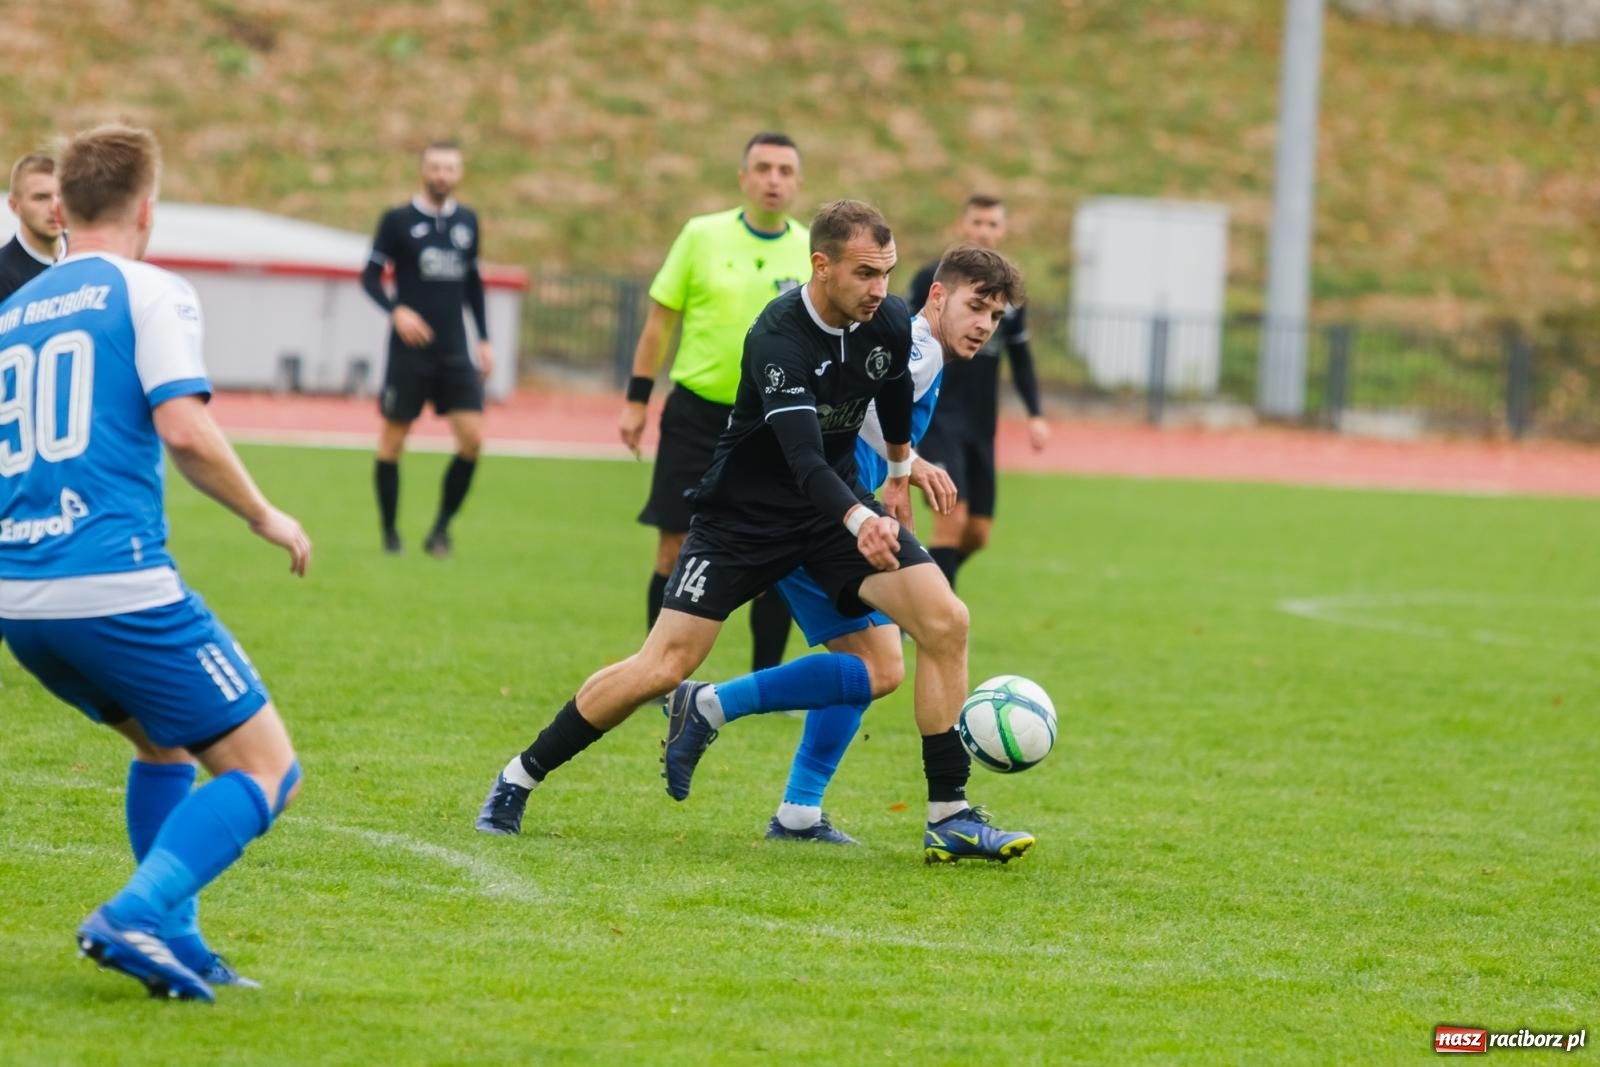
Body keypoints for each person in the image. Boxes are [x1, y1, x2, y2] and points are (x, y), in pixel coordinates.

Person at [477, 201, 1035, 864]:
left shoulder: (884, 320)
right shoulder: (777, 336)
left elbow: (888, 391)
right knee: (664, 664)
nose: (880, 289)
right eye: (864, 273)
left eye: (886, 272)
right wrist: (861, 517)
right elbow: (800, 457)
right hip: (743, 518)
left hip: (832, 512)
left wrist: (895, 470)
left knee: (945, 622)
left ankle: (949, 814)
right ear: (820, 265)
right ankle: (519, 775)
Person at [0, 123, 311, 1002]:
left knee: (163, 739)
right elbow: (184, 427)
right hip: (113, 583)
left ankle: (175, 938)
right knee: (266, 768)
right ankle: (137, 912)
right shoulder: (149, 289)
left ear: (61, 208)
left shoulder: (13, 309)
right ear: (147, 208)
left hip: (20, 596)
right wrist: (263, 512)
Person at [679, 244, 1024, 845]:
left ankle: (797, 810)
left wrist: (894, 484)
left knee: (875, 666)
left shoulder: (924, 351)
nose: (983, 326)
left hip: (842, 517)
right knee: (904, 651)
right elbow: (858, 409)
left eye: (995, 318)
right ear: (937, 296)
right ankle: (715, 707)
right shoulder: (915, 350)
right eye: (976, 308)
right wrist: (909, 464)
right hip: (827, 521)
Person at [618, 131, 812, 673]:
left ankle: (766, 678)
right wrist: (636, 400)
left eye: (785, 170)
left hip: (774, 425)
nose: (773, 179)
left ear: (798, 183)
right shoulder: (701, 236)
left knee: (780, 555)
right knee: (674, 546)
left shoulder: (811, 251)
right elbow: (660, 321)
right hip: (697, 415)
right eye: (763, 168)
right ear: (743, 178)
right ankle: (655, 671)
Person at [907, 194, 1048, 590]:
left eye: (992, 224)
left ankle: (913, 597)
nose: (984, 231)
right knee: (950, 522)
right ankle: (929, 615)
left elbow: (1020, 358)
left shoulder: (1011, 295)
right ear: (962, 226)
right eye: (977, 222)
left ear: (1002, 231)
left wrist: (1035, 414)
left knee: (977, 534)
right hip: (939, 418)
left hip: (981, 425)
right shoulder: (930, 280)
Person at [361, 140, 493, 558]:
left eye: (450, 168)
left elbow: (472, 283)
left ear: (459, 174)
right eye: (435, 167)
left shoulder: (468, 221)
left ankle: (440, 531)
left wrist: (484, 339)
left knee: (472, 441)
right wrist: (396, 310)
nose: (442, 175)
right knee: (392, 444)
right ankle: (390, 535)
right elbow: (368, 277)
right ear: (423, 171)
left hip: (454, 351)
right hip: (409, 353)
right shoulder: (397, 220)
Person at [0, 153, 65, 302]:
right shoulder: (4, 274)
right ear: (14, 206)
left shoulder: (84, 255)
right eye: (41, 197)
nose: (55, 207)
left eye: (61, 195)